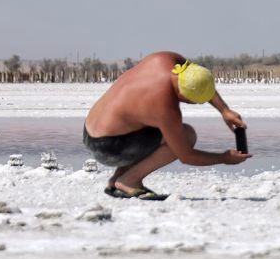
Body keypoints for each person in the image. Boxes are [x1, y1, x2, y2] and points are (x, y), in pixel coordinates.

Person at [82, 51, 249, 199]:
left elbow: (200, 81)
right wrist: (224, 158)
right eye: (192, 102)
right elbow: (186, 155)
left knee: (147, 126)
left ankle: (115, 180)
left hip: (91, 129)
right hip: (107, 147)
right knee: (186, 135)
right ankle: (129, 181)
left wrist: (224, 110)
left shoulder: (165, 58)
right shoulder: (164, 107)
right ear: (181, 94)